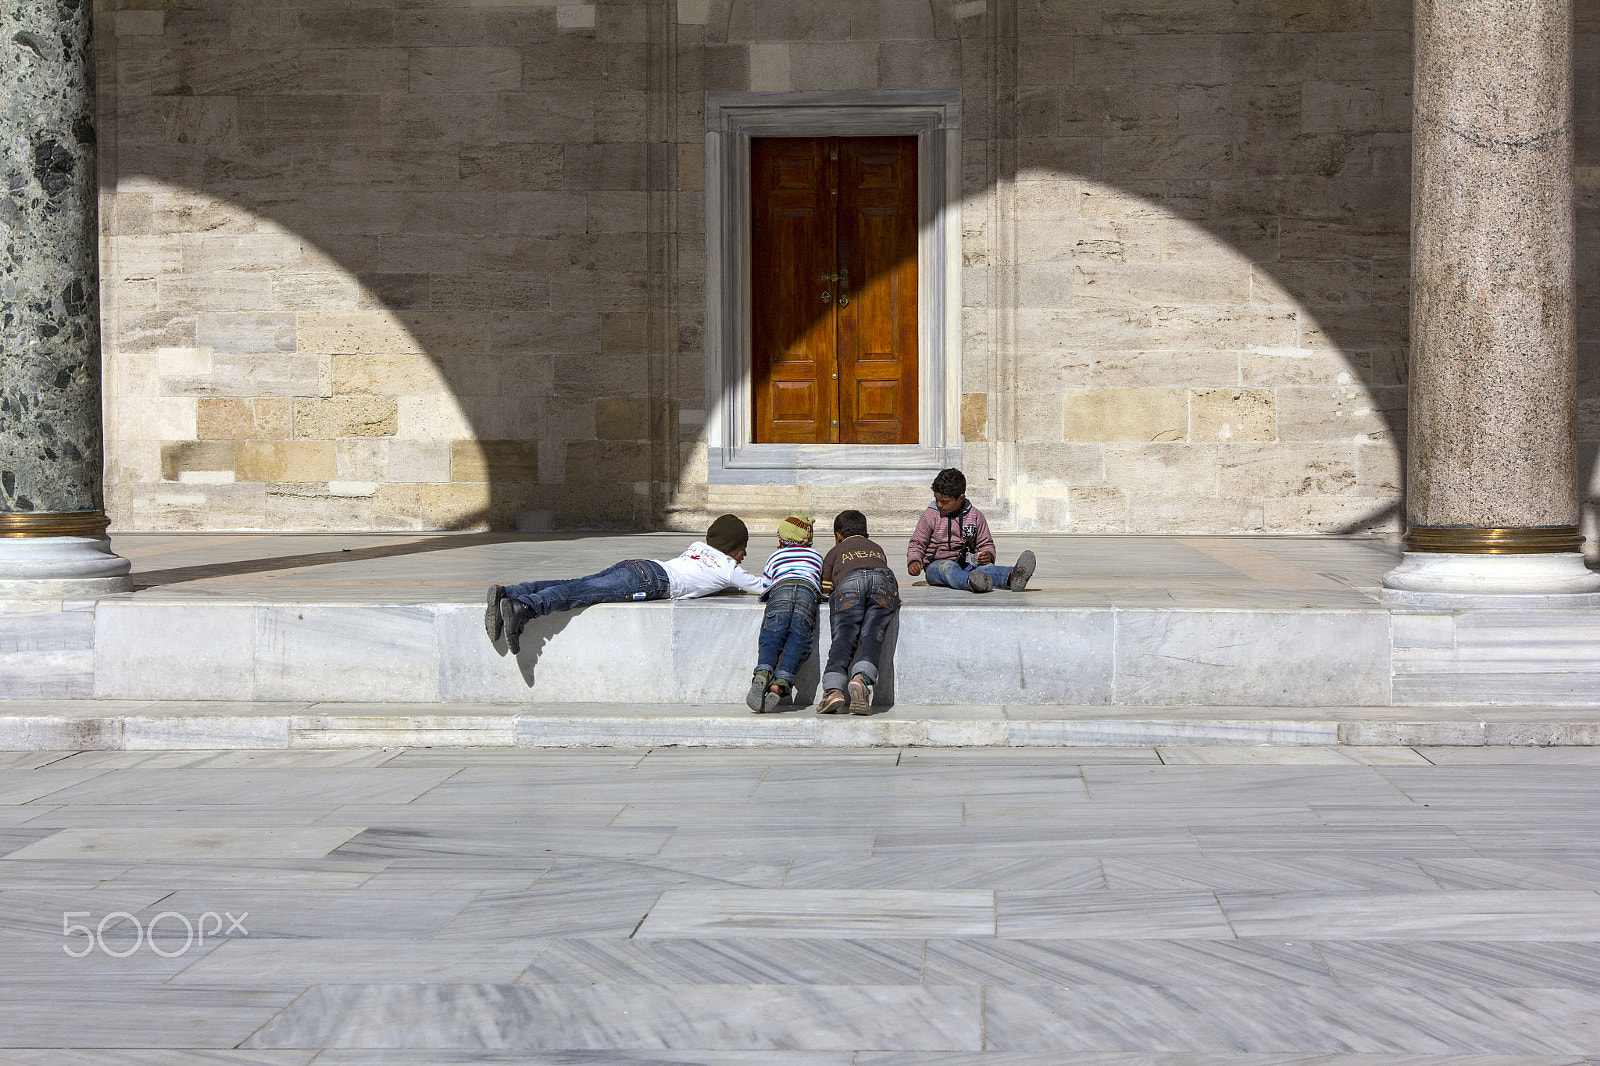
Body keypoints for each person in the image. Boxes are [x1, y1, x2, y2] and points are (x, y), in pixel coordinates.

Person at [485, 514, 765, 654]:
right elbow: (762, 586)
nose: (745, 555)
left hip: (641, 566)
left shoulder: (697, 547)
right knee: (582, 593)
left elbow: (707, 577)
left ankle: (511, 592)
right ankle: (525, 607)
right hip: (652, 582)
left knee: (579, 583)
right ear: (732, 547)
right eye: (743, 549)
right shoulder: (729, 568)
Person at [817, 510, 900, 715]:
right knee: (874, 633)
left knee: (844, 636)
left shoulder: (835, 551)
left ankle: (833, 690)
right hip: (883, 582)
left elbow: (826, 588)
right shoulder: (876, 548)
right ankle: (861, 679)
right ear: (867, 536)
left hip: (849, 584)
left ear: (838, 536)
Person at [907, 467, 1036, 594]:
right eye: (937, 500)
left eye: (945, 502)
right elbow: (917, 543)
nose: (939, 505)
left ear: (961, 498)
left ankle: (1012, 576)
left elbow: (986, 543)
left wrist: (988, 554)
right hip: (936, 567)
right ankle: (970, 582)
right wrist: (914, 560)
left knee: (987, 569)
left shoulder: (975, 516)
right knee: (948, 568)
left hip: (968, 564)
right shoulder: (930, 516)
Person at [747, 512, 824, 714]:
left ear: (781, 540)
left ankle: (763, 672)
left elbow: (766, 585)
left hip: (780, 592)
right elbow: (821, 582)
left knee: (771, 637)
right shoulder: (816, 556)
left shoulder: (775, 556)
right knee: (798, 640)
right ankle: (781, 682)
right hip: (807, 594)